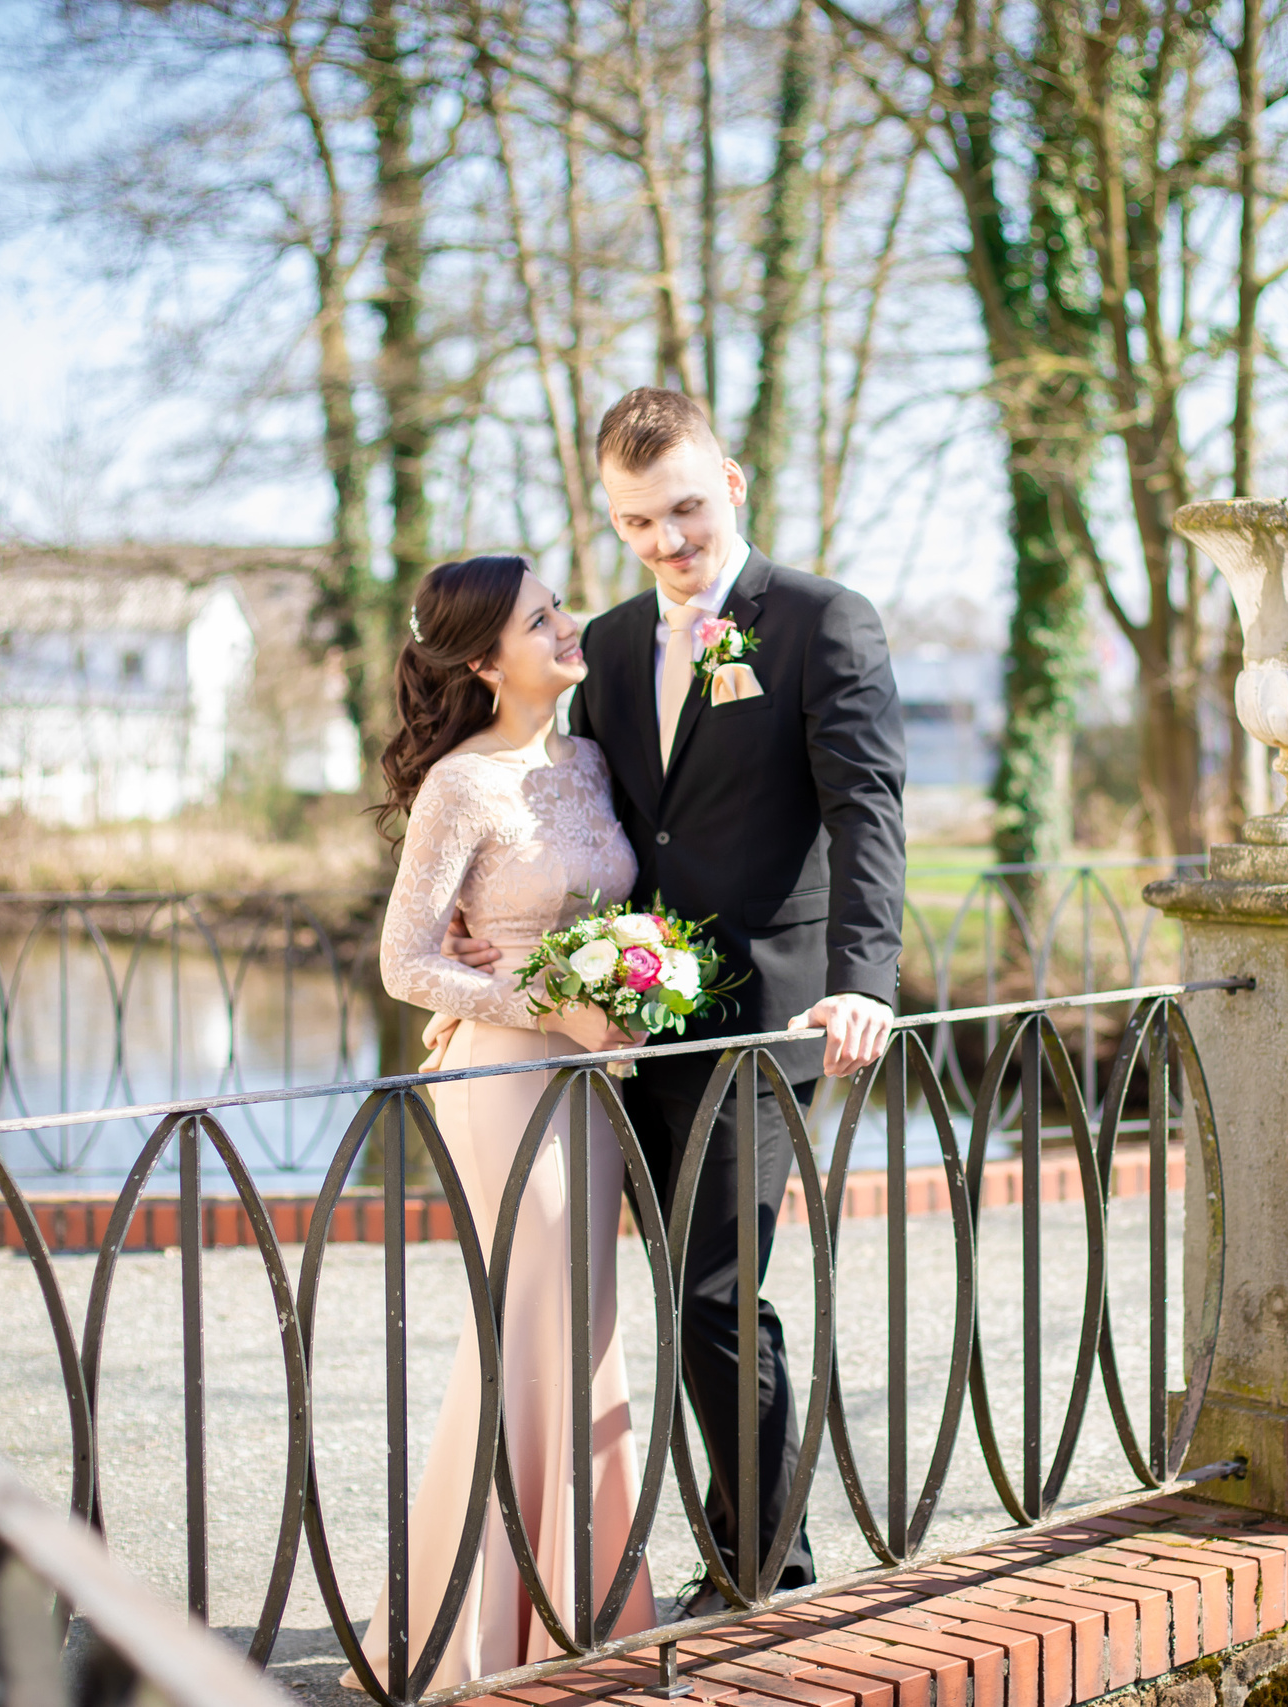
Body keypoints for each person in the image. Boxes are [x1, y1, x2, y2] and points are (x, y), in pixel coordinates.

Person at [448, 387, 906, 1610]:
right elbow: (571, 817)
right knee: (623, 1289)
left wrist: (865, 988)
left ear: (734, 485)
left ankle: (763, 1565)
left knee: (714, 1283)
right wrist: (492, 972)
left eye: (685, 511)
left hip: (769, 1022)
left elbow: (868, 814)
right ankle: (587, 1558)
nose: (667, 542)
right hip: (625, 1026)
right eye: (636, 521)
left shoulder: (819, 620)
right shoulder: (598, 644)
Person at [348, 555, 657, 1691]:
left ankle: (582, 1608)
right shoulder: (460, 789)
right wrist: (539, 1002)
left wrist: (628, 991)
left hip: (587, 1077)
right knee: (524, 1332)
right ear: (485, 660)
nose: (569, 626)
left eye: (559, 606)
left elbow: (607, 904)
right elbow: (404, 961)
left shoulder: (586, 760)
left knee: (585, 1327)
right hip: (506, 1078)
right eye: (543, 618)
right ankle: (475, 1627)